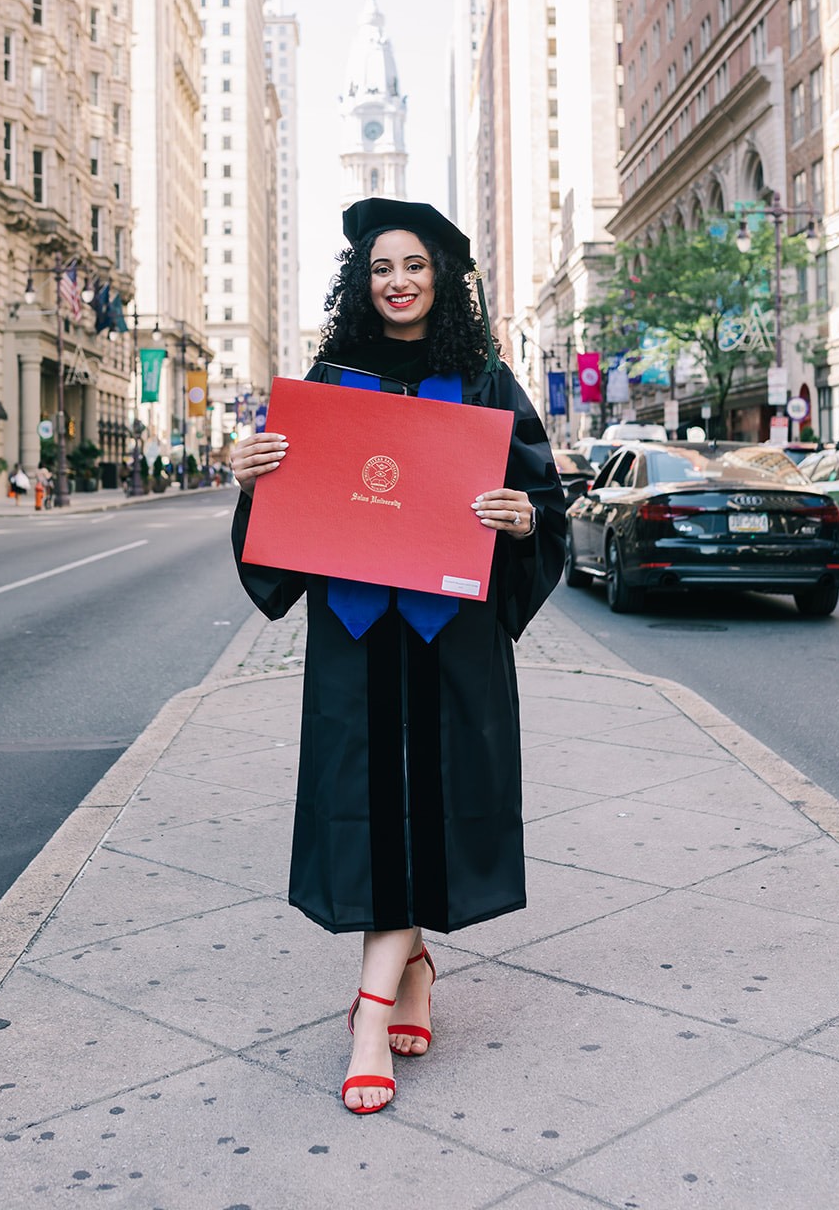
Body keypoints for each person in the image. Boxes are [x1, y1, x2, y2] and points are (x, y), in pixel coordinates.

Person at [230, 199, 566, 1117]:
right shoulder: (331, 380)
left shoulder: (485, 380)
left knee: (428, 806)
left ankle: (373, 1009)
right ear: (361, 282)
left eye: (413, 264)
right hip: (357, 636)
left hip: (448, 635)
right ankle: (398, 983)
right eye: (381, 267)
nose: (398, 281)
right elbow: (285, 514)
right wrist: (254, 479)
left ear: (440, 277)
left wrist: (521, 519)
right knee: (373, 809)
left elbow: (543, 503)